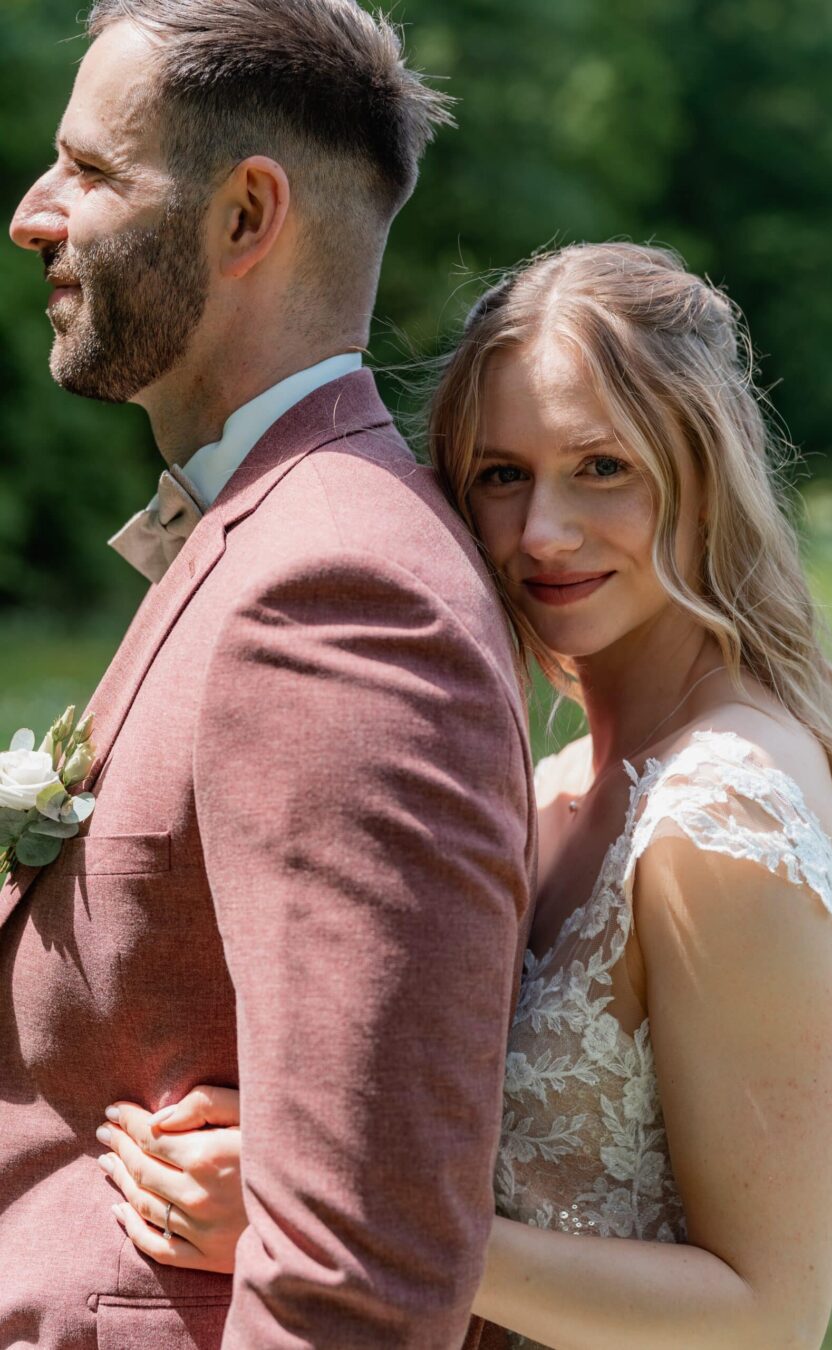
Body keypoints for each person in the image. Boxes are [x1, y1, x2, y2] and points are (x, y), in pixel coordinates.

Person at [98, 244, 832, 1349]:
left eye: (603, 467)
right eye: (501, 475)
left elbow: (770, 1317)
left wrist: (329, 1222)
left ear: (708, 470)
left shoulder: (724, 812)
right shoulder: (551, 783)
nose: (541, 535)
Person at [2, 4, 537, 1348]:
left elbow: (362, 1269)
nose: (31, 215)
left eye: (91, 170)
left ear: (245, 216)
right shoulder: (265, 528)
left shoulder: (341, 592)